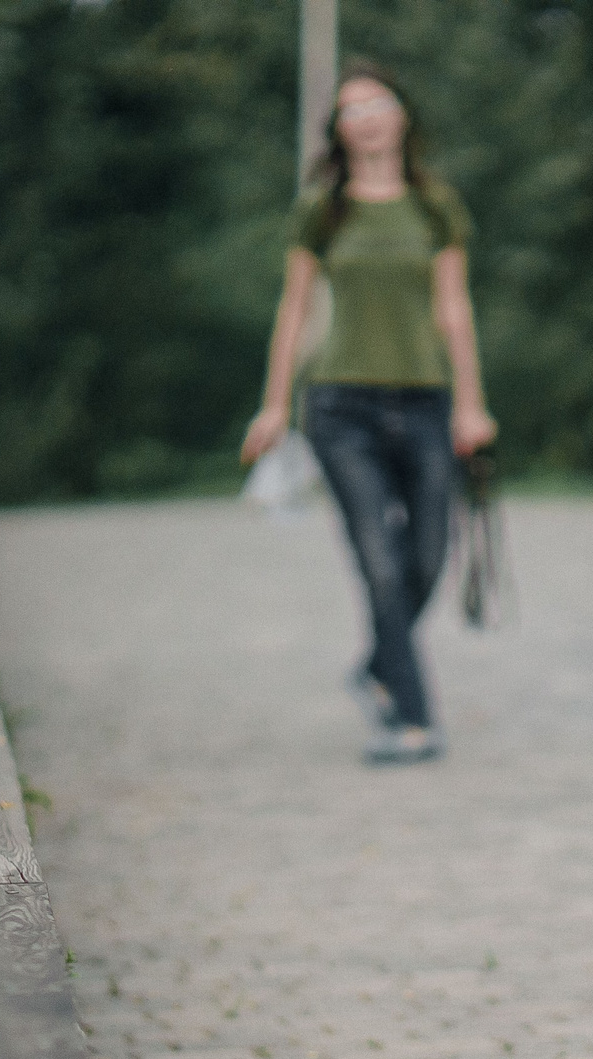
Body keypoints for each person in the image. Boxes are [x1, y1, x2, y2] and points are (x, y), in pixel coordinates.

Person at [241, 60, 498, 766]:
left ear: (402, 115)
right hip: (340, 406)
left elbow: (454, 308)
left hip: (425, 403)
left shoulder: (435, 205)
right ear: (339, 131)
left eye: (378, 102)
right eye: (351, 109)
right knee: (380, 564)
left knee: (428, 555)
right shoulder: (323, 208)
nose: (368, 117)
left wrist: (471, 403)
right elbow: (293, 310)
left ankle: (379, 663)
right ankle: (411, 719)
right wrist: (273, 406)